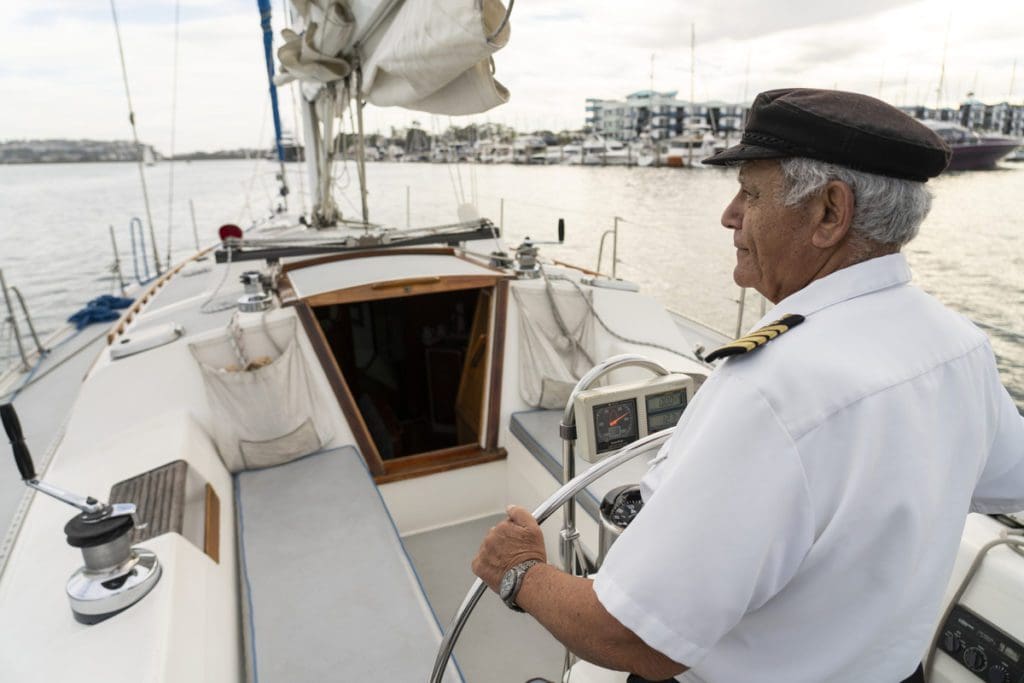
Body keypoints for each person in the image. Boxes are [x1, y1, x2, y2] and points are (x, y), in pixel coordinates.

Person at [471, 88, 1024, 682]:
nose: (730, 215)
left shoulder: (771, 389)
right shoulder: (959, 344)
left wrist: (521, 571)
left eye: (751, 193)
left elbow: (635, 637)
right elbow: (1006, 484)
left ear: (830, 213)